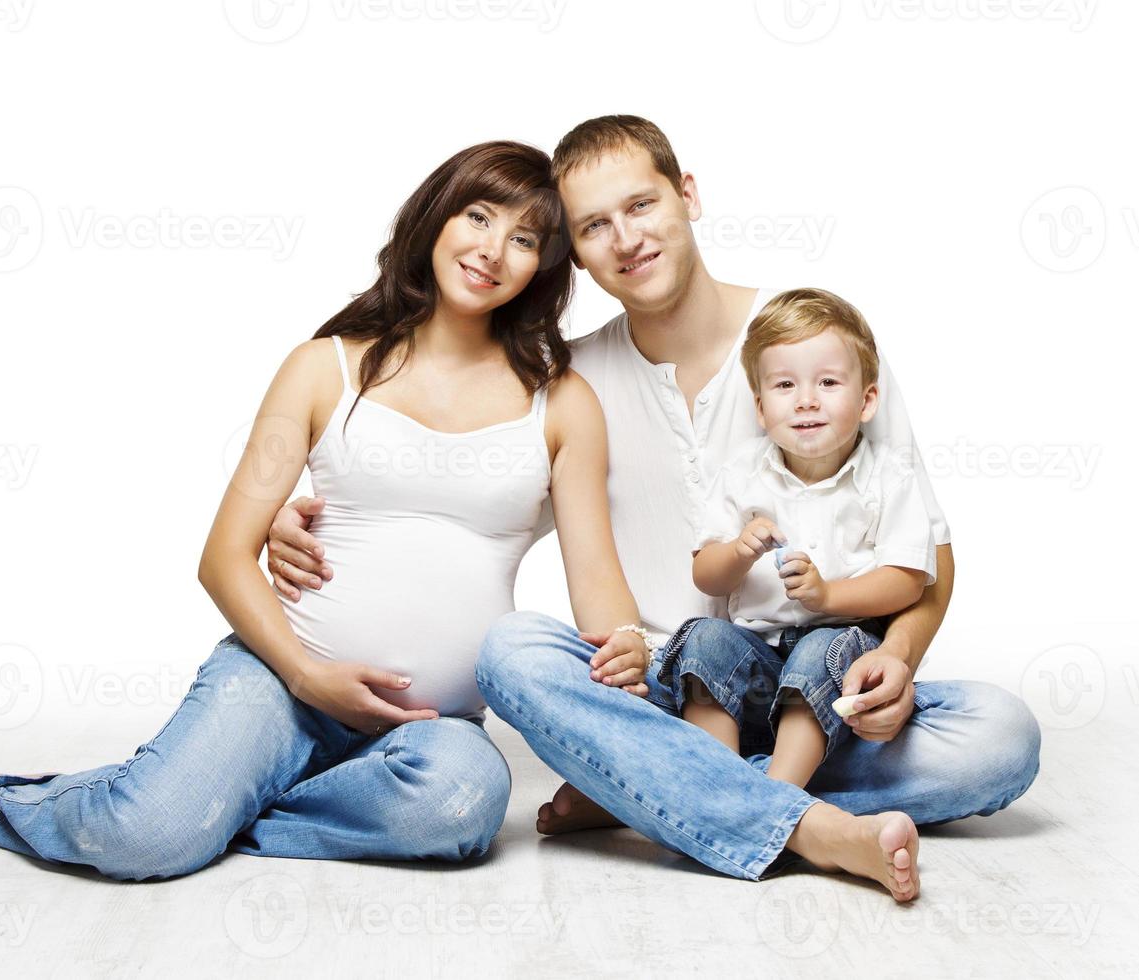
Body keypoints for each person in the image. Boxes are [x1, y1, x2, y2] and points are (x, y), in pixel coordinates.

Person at [269, 117, 1041, 902]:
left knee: (998, 738)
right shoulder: (570, 381)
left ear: (687, 194)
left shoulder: (811, 338)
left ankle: (647, 794)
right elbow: (465, 508)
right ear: (574, 250)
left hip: (823, 690)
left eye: (640, 206)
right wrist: (304, 511)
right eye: (594, 226)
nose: (626, 239)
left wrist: (898, 661)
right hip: (659, 697)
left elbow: (926, 555)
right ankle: (782, 816)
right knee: (512, 652)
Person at [0, 141, 654, 881]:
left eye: (523, 239)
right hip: (276, 679)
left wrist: (625, 646)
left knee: (462, 811)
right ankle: (24, 803)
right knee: (147, 843)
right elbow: (223, 555)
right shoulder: (321, 367)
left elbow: (596, 581)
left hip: (430, 727)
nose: (493, 249)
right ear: (436, 218)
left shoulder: (562, 403)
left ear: (545, 270)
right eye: (478, 217)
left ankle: (196, 804)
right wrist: (305, 677)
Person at [677, 287, 937, 809]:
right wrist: (738, 552)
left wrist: (827, 597)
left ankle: (775, 800)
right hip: (754, 663)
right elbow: (706, 575)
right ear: (760, 406)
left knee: (820, 648)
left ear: (867, 400)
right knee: (704, 638)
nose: (806, 400)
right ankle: (720, 790)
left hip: (839, 661)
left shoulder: (889, 476)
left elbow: (908, 579)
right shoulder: (741, 474)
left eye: (828, 382)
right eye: (785, 385)